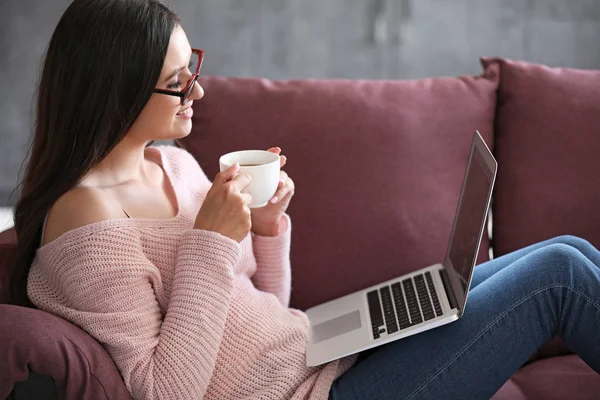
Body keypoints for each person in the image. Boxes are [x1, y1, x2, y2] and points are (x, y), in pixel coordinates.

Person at [9, 0, 600, 399]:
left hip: (321, 354)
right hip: (321, 395)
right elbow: (168, 389)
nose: (200, 89)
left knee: (567, 248)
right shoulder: (87, 221)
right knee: (561, 275)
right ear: (114, 88)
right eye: (178, 79)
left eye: (194, 67)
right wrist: (211, 241)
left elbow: (264, 308)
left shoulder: (175, 164)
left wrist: (266, 231)